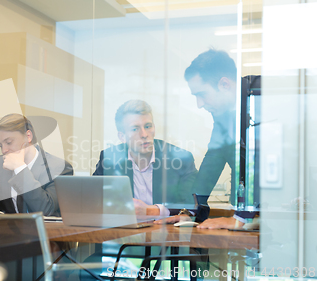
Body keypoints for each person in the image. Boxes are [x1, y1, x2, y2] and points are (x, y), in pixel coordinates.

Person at [158, 49, 253, 228]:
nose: (199, 104)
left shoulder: (261, 101)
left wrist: (241, 218)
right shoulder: (224, 117)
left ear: (224, 84)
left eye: (201, 94)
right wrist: (189, 212)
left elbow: (262, 169)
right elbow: (210, 166)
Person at [93, 100, 197, 216]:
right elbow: (92, 200)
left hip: (167, 231)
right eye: (135, 129)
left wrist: (153, 211)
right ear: (122, 136)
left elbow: (194, 205)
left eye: (148, 126)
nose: (144, 134)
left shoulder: (181, 159)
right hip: (124, 230)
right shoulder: (109, 159)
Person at [0, 114, 73, 216]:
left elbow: (46, 209)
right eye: (0, 145)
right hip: (7, 230)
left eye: (9, 142)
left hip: (44, 231)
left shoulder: (59, 168)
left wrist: (20, 168)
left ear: (28, 136)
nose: (4, 150)